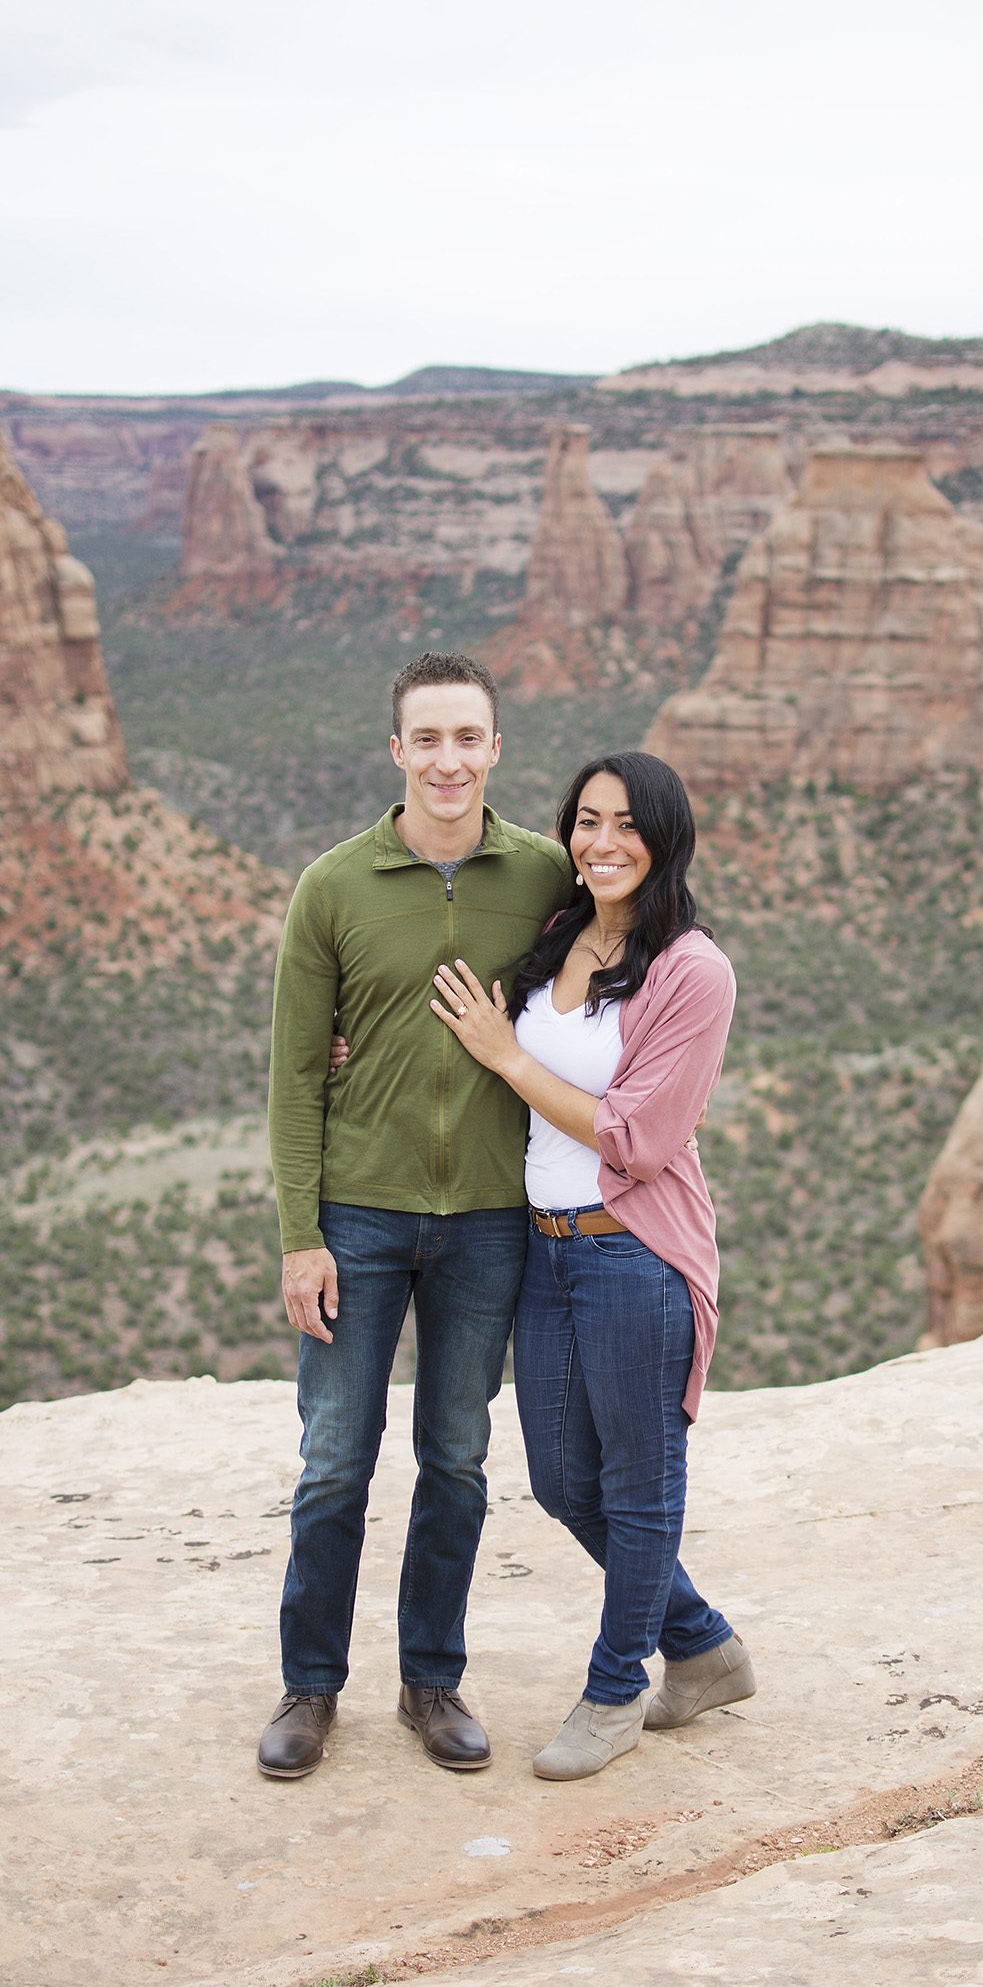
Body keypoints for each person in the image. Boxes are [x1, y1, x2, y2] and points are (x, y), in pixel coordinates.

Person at [256, 650, 572, 1780]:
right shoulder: (334, 885)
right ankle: (309, 1689)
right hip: (358, 1219)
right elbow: (296, 1073)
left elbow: (625, 967)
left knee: (458, 1457)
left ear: (496, 748)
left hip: (490, 1222)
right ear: (398, 752)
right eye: (426, 739)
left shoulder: (545, 876)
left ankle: (431, 1682)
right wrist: (302, 1234)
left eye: (467, 738)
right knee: (336, 1460)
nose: (448, 760)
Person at [427, 749, 755, 1781]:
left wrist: (507, 1058)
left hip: (634, 1257)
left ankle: (617, 1692)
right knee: (568, 1481)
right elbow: (477, 1035)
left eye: (626, 824)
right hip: (546, 1251)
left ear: (666, 838)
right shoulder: (562, 934)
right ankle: (702, 1645)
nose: (602, 843)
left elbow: (640, 1137)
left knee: (642, 1484)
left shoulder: (693, 971)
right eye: (586, 820)